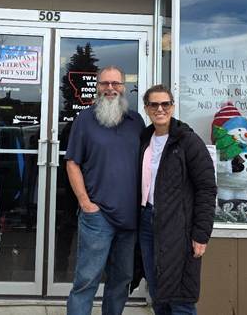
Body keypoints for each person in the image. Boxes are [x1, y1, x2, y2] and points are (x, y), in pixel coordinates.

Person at [65, 65, 145, 315]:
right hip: (97, 216)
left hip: (130, 217)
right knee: (86, 281)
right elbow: (72, 163)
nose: (111, 88)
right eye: (105, 84)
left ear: (124, 87)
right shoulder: (84, 120)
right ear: (97, 87)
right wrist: (85, 203)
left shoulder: (137, 121)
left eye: (116, 83)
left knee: (121, 281)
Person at [138, 85, 216, 315]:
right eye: (154, 104)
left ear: (172, 107)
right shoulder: (144, 139)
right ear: (146, 108)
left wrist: (201, 234)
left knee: (180, 297)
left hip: (178, 226)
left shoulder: (188, 141)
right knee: (158, 292)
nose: (160, 109)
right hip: (147, 223)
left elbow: (206, 189)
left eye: (165, 104)